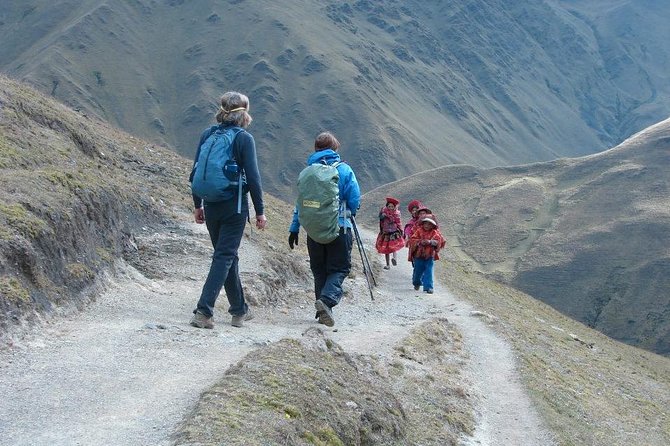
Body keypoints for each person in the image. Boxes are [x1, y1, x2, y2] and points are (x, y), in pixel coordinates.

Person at [189, 91, 267, 329]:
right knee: (224, 256)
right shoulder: (244, 138)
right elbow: (253, 177)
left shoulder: (207, 134)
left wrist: (197, 205)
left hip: (211, 203)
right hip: (234, 206)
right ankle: (203, 311)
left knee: (227, 256)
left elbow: (196, 171)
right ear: (244, 113)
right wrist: (260, 211)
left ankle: (239, 310)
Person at [288, 131, 361, 327]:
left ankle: (322, 312)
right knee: (340, 268)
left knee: (319, 270)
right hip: (339, 227)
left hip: (313, 230)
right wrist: (350, 212)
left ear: (316, 149)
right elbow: (354, 198)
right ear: (335, 148)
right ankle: (326, 302)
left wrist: (294, 227)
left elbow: (301, 203)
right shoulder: (344, 170)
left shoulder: (308, 172)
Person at [408, 214, 446, 294]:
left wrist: (430, 242)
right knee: (418, 271)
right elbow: (413, 240)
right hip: (418, 255)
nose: (427, 225)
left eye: (429, 224)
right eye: (425, 223)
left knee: (429, 271)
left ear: (432, 225)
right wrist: (420, 242)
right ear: (423, 223)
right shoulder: (418, 231)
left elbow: (438, 241)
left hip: (429, 255)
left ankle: (428, 287)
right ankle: (416, 283)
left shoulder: (435, 233)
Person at [375, 197, 405, 269]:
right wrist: (383, 215)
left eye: (392, 206)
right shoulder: (384, 213)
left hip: (394, 232)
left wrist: (401, 230)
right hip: (386, 233)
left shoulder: (396, 214)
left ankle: (394, 258)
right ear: (387, 206)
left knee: (394, 246)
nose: (390, 208)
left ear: (394, 207)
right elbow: (381, 219)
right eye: (389, 206)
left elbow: (398, 223)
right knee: (386, 249)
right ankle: (387, 265)